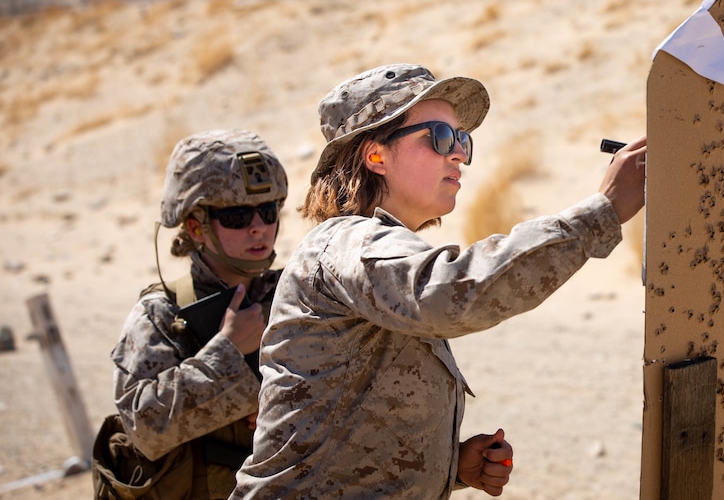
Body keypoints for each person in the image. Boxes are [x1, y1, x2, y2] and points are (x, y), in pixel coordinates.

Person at [230, 63, 647, 499]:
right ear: (376, 156)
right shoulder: (348, 242)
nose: (460, 154)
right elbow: (452, 293)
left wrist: (449, 466)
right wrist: (603, 210)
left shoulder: (374, 250)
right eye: (440, 138)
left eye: (463, 140)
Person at [108, 129, 288, 499]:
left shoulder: (295, 294)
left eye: (268, 212)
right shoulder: (162, 313)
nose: (259, 227)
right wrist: (227, 351)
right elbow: (144, 424)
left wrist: (277, 403)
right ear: (196, 227)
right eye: (237, 216)